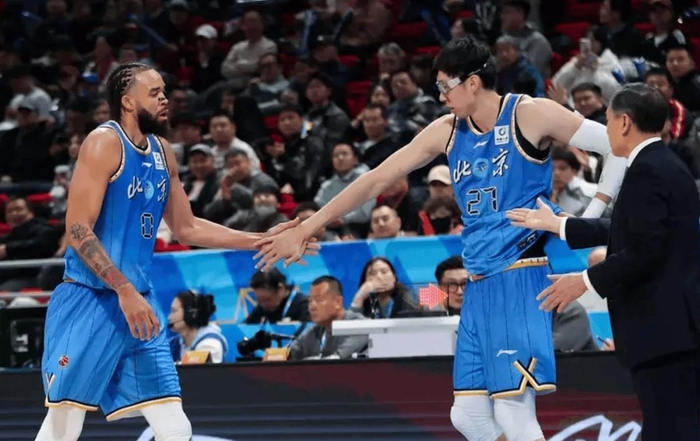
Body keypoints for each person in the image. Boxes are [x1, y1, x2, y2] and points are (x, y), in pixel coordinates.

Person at [253, 37, 628, 440]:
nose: (441, 96)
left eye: (446, 85)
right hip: (478, 281)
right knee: (467, 415)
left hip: (519, 275)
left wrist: (587, 218)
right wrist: (307, 226)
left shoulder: (530, 113)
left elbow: (618, 147)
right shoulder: (446, 130)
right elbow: (376, 179)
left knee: (513, 411)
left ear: (472, 82)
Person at [35, 62, 316, 441]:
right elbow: (78, 228)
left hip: (138, 300)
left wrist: (261, 239)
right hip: (92, 297)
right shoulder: (103, 143)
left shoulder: (162, 152)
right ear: (127, 102)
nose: (165, 99)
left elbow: (187, 227)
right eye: (155, 93)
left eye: (164, 92)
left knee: (174, 423)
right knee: (64, 423)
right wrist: (123, 289)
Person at [506, 84, 700, 440]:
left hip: (664, 331)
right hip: (673, 330)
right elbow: (632, 230)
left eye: (607, 121)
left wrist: (584, 280)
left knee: (672, 429)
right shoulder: (663, 165)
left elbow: (645, 250)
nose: (605, 129)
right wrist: (561, 225)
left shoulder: (648, 171)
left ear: (624, 123)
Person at [288, 276, 369, 360]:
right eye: (310, 300)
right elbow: (289, 354)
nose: (312, 307)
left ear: (338, 302)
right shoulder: (315, 331)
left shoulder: (359, 326)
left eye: (318, 300)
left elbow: (337, 359)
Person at [167, 290, 228, 363]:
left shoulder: (210, 343)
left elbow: (193, 366)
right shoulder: (175, 343)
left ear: (191, 314)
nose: (169, 318)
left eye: (174, 311)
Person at [350, 257, 419, 319]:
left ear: (394, 277)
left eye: (384, 272)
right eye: (372, 273)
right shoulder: (367, 302)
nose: (379, 277)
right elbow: (352, 325)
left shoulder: (407, 298)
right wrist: (359, 298)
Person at [245, 268, 311, 324]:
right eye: (259, 300)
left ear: (281, 288)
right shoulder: (263, 307)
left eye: (267, 299)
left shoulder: (303, 305)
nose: (263, 304)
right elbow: (246, 326)